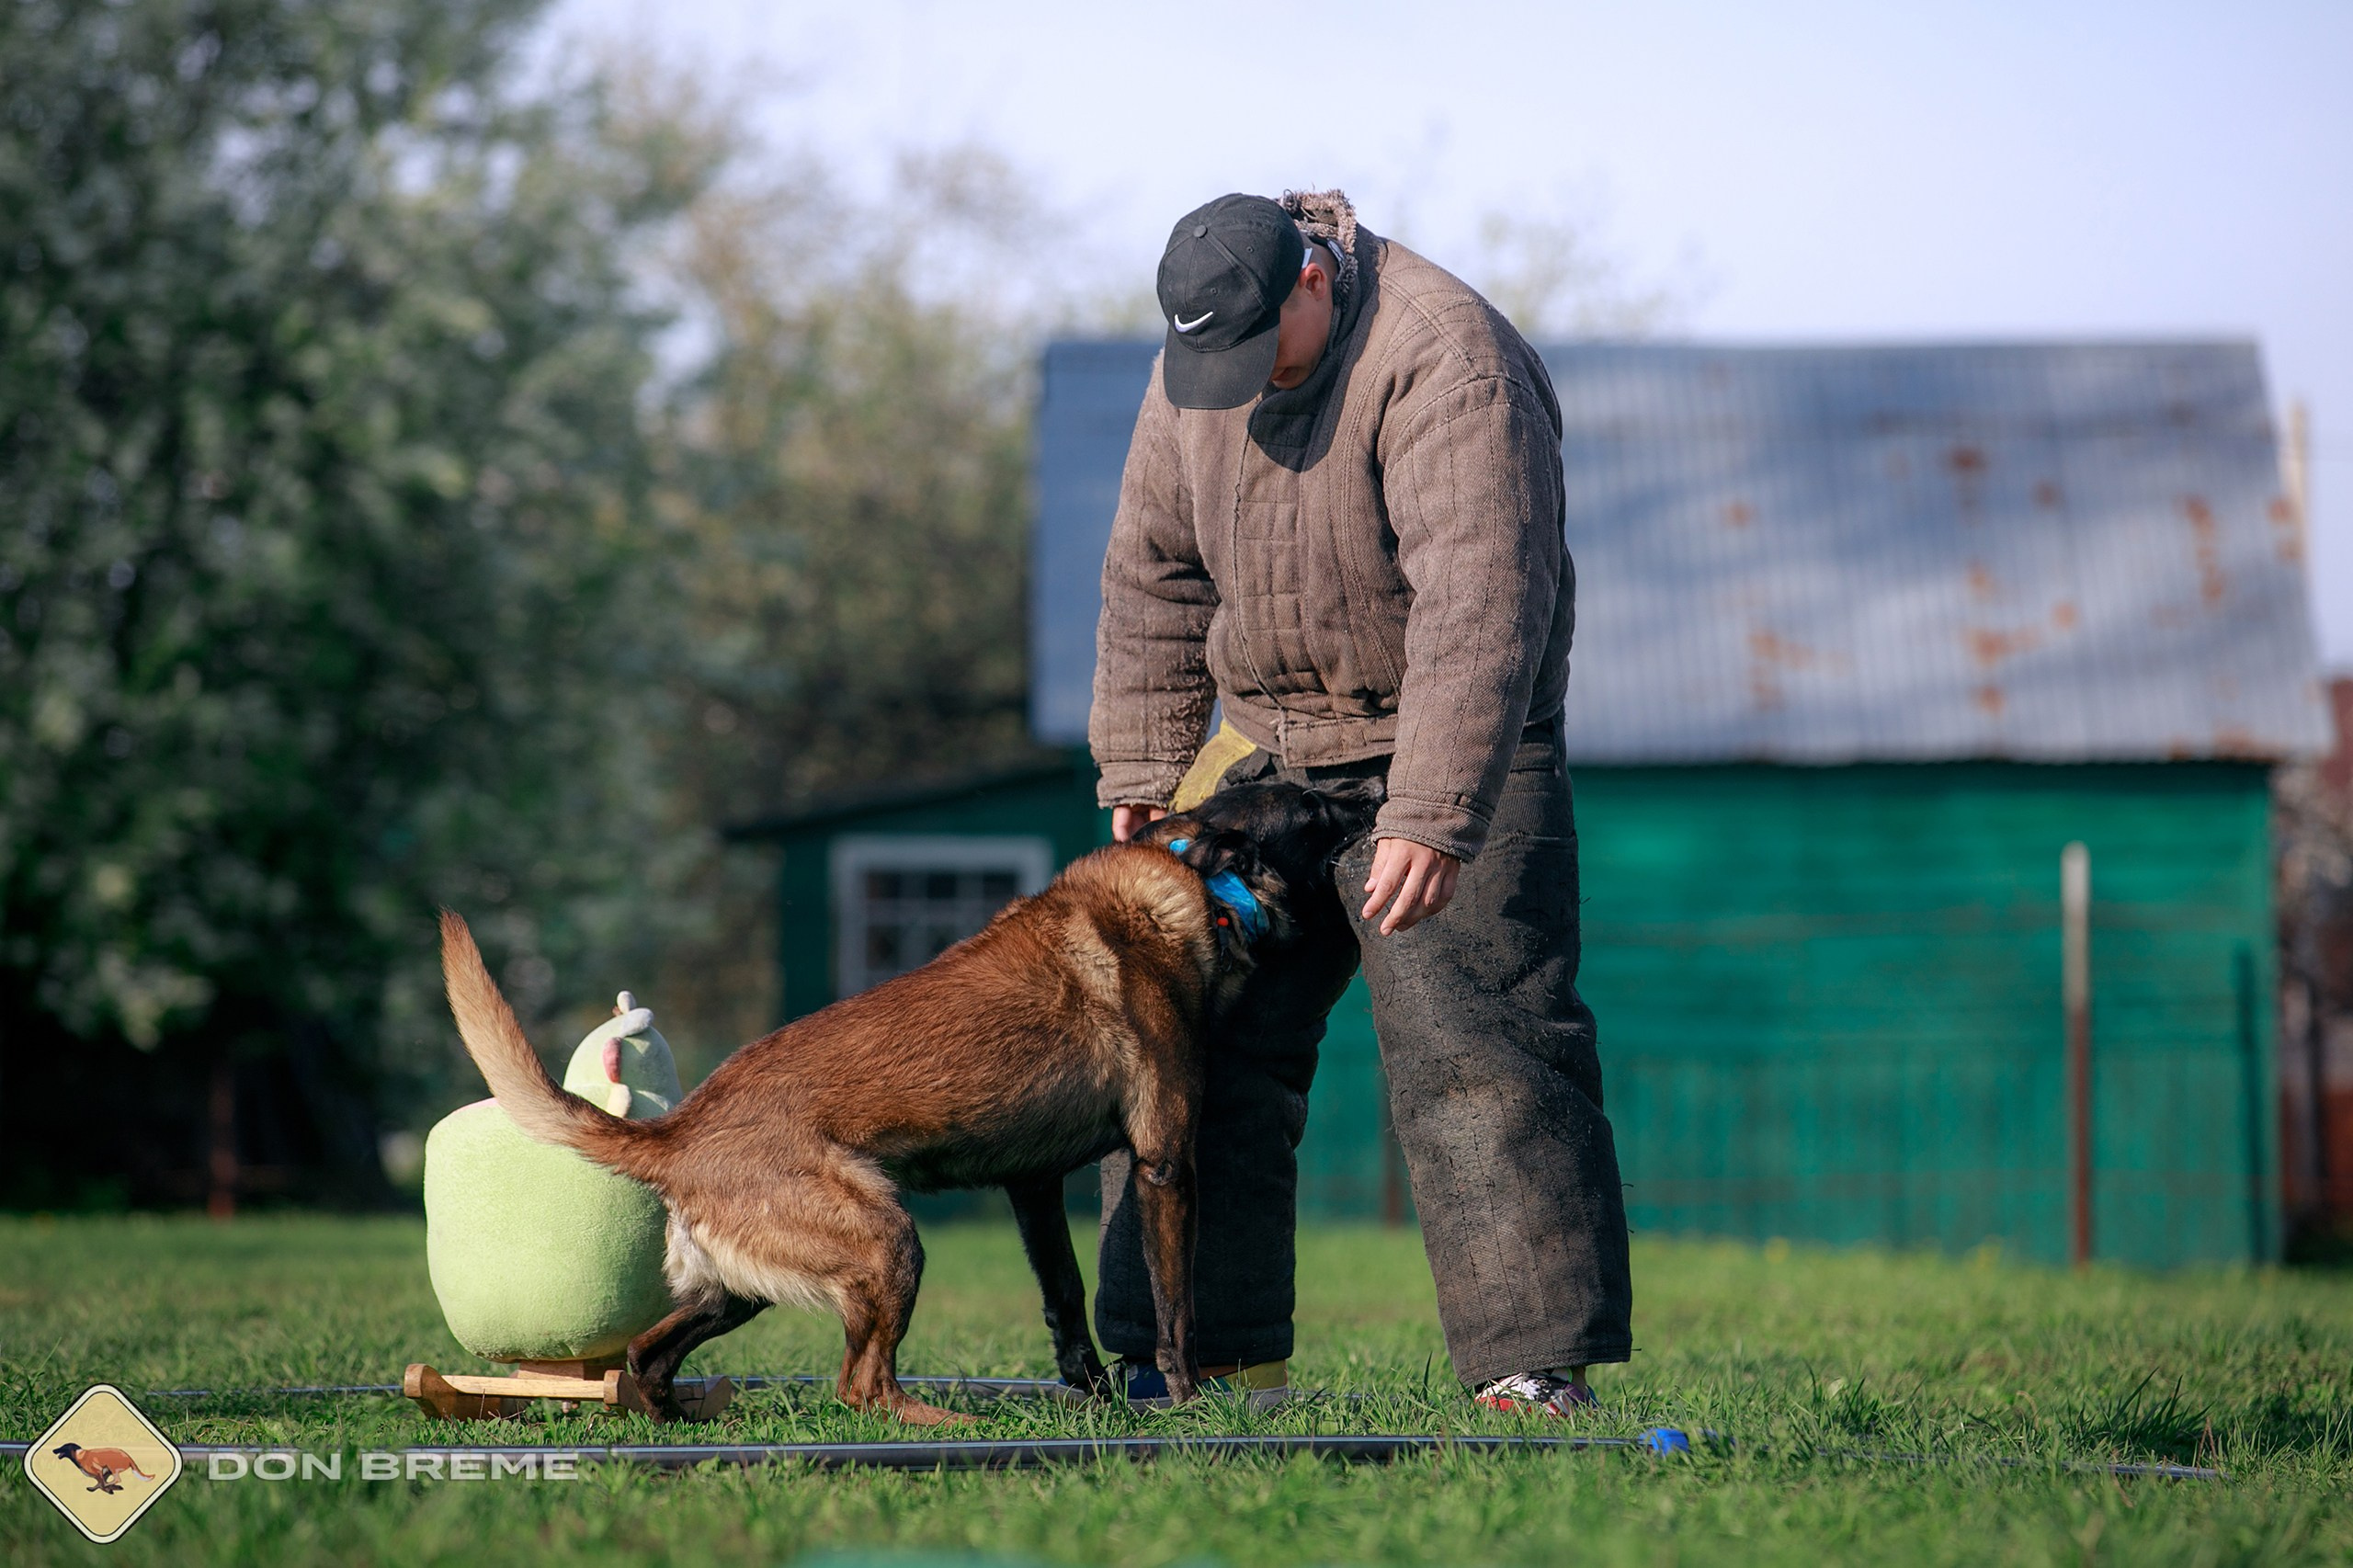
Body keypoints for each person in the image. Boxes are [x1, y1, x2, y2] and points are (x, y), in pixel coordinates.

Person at [1087, 189, 1632, 1415]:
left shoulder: (1445, 355)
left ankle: (1528, 1375)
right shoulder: (1199, 360)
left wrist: (1436, 813)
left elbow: (1481, 604)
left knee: (1479, 1051)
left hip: (1447, 746)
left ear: (1315, 283)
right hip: (1267, 746)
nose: (1224, 381)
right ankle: (1197, 1365)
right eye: (1204, 358)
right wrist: (1142, 771)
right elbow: (1151, 578)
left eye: (1249, 350)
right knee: (1183, 1037)